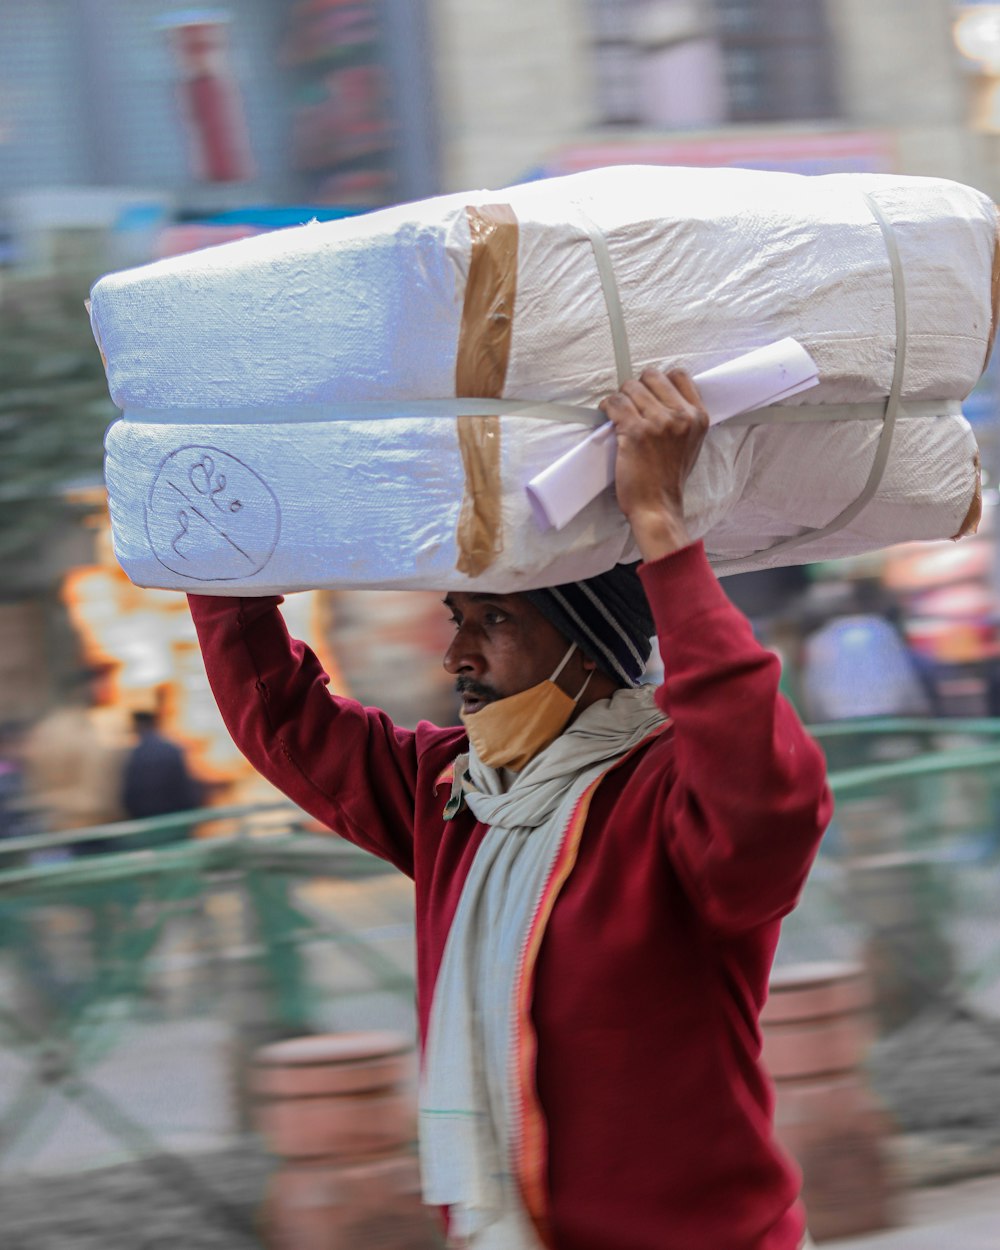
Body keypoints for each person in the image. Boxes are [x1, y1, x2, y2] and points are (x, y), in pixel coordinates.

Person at [187, 369, 832, 1250]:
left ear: (589, 650)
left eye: (493, 621)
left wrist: (664, 533)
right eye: (458, 618)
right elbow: (282, 719)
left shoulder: (669, 796)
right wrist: (224, 552)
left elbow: (766, 788)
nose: (456, 653)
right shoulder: (449, 793)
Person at [121, 708, 204, 842]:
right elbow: (187, 788)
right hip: (177, 821)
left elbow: (129, 794)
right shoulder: (173, 749)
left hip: (148, 823)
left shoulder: (132, 755)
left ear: (136, 726)